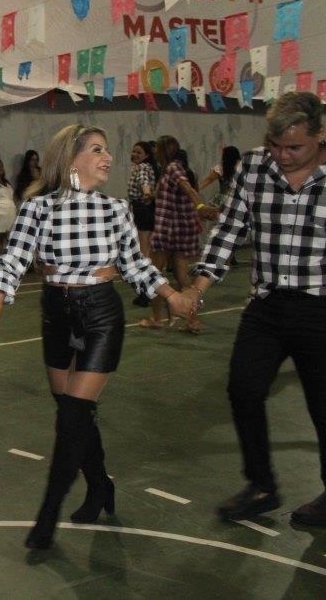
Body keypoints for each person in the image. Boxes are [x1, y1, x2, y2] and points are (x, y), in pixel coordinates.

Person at [0, 124, 194, 550]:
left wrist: (171, 295)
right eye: (98, 149)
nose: (108, 157)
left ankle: (48, 513)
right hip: (55, 313)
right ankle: (100, 484)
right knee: (73, 415)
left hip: (101, 313)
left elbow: (135, 264)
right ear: (71, 156)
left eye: (107, 150)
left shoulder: (116, 209)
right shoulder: (37, 208)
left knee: (73, 416)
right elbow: (11, 262)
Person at [188, 92, 326, 527]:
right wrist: (198, 286)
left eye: (294, 147)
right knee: (243, 390)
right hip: (266, 305)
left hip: (320, 308)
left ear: (320, 136)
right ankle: (262, 485)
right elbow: (229, 229)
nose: (282, 155)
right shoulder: (252, 166)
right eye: (275, 145)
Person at [142, 135, 205, 333]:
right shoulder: (170, 169)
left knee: (154, 274)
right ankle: (192, 321)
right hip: (181, 231)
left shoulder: (172, 168)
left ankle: (156, 318)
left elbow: (188, 188)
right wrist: (151, 196)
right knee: (182, 278)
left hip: (167, 230)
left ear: (162, 151)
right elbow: (168, 192)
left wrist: (201, 206)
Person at [127, 141, 157, 306]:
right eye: (134, 151)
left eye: (139, 152)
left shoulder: (143, 168)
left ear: (146, 155)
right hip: (141, 209)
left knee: (144, 253)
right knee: (144, 251)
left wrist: (146, 194)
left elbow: (144, 183)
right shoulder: (141, 167)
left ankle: (146, 291)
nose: (135, 154)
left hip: (142, 209)